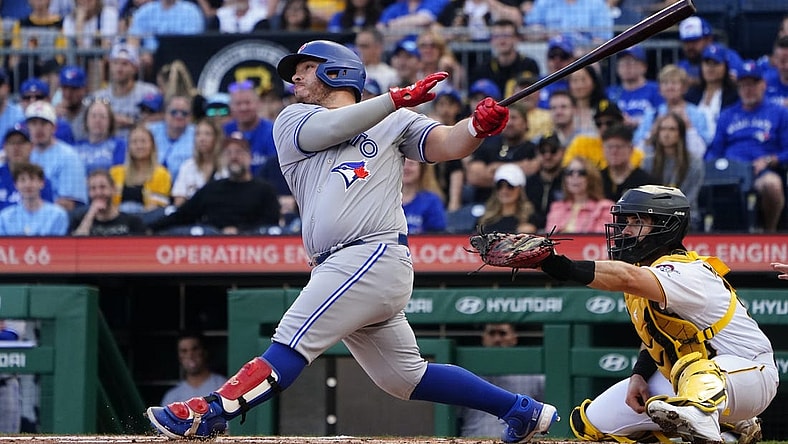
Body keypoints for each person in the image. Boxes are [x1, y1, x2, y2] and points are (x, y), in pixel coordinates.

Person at [146, 40, 558, 443]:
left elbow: (448, 144)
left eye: (306, 68)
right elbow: (335, 126)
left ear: (336, 71)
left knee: (292, 338)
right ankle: (521, 410)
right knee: (404, 378)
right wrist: (393, 100)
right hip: (339, 265)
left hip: (370, 252)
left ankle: (210, 413)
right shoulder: (293, 119)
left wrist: (475, 127)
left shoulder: (395, 120)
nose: (295, 78)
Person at [537, 185, 777, 444]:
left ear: (666, 225)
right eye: (626, 221)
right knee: (592, 423)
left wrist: (557, 264)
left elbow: (626, 277)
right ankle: (730, 427)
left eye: (637, 222)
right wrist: (640, 374)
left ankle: (711, 419)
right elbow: (657, 335)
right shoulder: (646, 269)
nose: (626, 230)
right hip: (688, 378)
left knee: (697, 370)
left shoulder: (685, 271)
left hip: (750, 374)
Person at [704, 61, 788, 233]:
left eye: (753, 84)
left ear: (763, 85)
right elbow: (715, 149)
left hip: (761, 171)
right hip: (730, 170)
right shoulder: (727, 115)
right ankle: (711, 233)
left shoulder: (779, 113)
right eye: (743, 85)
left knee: (772, 185)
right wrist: (710, 166)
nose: (748, 89)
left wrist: (769, 160)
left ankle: (769, 233)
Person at [147, 132, 280, 235]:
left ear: (249, 157)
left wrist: (240, 231)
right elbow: (183, 215)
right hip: (212, 245)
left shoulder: (264, 190)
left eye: (239, 152)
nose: (234, 157)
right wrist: (148, 229)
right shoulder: (212, 188)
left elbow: (271, 222)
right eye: (228, 153)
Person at [460, 323, 546, 438]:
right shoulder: (467, 374)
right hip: (473, 438)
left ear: (514, 338)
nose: (497, 339)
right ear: (483, 338)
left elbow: (545, 415)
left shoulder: (532, 375)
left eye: (502, 333)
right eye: (492, 333)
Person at [641, 112, 704, 228]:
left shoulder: (694, 163)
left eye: (672, 129)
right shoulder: (647, 162)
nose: (666, 134)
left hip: (685, 217)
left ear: (680, 134)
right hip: (654, 216)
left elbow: (689, 197)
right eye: (663, 129)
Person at [26, 100, 87, 211]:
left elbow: (69, 204)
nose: (38, 128)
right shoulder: (25, 154)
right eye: (34, 123)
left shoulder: (69, 156)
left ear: (54, 128)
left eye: (44, 123)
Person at [92, 42, 160, 139]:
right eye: (115, 63)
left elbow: (163, 118)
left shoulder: (149, 92)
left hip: (140, 143)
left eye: (125, 64)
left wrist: (131, 122)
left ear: (135, 68)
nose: (119, 69)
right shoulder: (99, 97)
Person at [634, 64, 711, 149]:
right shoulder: (652, 114)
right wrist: (654, 130)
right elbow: (637, 145)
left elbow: (705, 146)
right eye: (665, 83)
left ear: (684, 88)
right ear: (659, 90)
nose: (670, 87)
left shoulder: (697, 113)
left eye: (674, 83)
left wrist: (688, 126)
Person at [109, 124, 172, 214]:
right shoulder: (114, 173)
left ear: (152, 145)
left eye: (143, 141)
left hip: (149, 218)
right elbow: (108, 204)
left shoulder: (162, 174)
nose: (139, 146)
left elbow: (159, 207)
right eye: (134, 142)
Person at [469, 19, 540, 98]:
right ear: (491, 40)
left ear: (516, 38)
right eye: (497, 36)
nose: (502, 40)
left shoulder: (529, 64)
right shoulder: (483, 68)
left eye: (507, 35)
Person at [684, 43, 740, 139]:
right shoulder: (690, 95)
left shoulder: (734, 96)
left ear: (725, 67)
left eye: (716, 63)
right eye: (707, 63)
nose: (710, 68)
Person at [545, 156, 613, 233]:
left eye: (581, 173)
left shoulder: (604, 208)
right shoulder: (557, 207)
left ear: (591, 177)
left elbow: (602, 237)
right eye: (570, 173)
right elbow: (550, 235)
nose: (575, 177)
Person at [69, 169, 147, 236]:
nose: (98, 193)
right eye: (93, 188)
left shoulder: (133, 222)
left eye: (102, 187)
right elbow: (77, 245)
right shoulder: (79, 221)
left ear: (113, 189)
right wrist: (90, 215)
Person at [0, 162, 68, 236]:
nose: (28, 185)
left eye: (32, 179)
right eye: (22, 180)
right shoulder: (5, 217)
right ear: (16, 185)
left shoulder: (57, 215)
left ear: (42, 183)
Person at [161, 332, 227, 407]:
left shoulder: (222, 386)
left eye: (195, 349)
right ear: (179, 357)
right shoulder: (172, 397)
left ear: (204, 352)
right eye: (184, 351)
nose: (190, 355)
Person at [606, 46, 662, 133]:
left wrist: (638, 122)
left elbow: (663, 115)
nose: (627, 67)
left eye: (631, 63)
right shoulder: (610, 92)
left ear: (644, 67)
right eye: (623, 63)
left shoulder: (656, 89)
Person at [171, 118, 224, 207]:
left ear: (216, 138)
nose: (202, 139)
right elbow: (179, 200)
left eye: (207, 134)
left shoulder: (226, 167)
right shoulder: (187, 166)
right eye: (198, 134)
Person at [0, 125, 54, 211]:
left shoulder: (39, 178)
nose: (16, 147)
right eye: (12, 143)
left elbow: (47, 212)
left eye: (21, 143)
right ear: (4, 147)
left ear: (31, 146)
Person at [524, 0, 613, 47]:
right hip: (552, 52)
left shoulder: (596, 3)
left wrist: (585, 50)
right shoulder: (544, 2)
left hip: (583, 55)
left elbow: (603, 38)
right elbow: (528, 31)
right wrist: (546, 33)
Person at [600, 123, 653, 202]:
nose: (614, 151)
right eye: (609, 147)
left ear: (631, 149)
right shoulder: (597, 179)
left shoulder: (645, 182)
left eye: (619, 147)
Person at [478, 163, 537, 233]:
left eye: (510, 186)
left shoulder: (531, 218)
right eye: (499, 186)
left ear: (520, 189)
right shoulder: (485, 220)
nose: (504, 191)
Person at [148, 95, 196, 181]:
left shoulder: (197, 134)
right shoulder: (150, 131)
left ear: (190, 117)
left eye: (184, 113)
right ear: (165, 114)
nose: (179, 116)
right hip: (150, 181)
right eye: (174, 112)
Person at [72, 98, 127, 174]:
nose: (97, 120)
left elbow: (118, 173)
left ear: (110, 122)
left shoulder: (119, 144)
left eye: (102, 117)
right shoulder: (75, 147)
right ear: (86, 121)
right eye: (93, 116)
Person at [525, 133, 564, 232]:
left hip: (560, 231)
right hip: (532, 232)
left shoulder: (568, 180)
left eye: (553, 151)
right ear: (537, 153)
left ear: (562, 152)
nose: (548, 156)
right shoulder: (529, 182)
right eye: (543, 151)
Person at [402, 158, 446, 234]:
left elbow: (438, 233)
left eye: (411, 164)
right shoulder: (386, 200)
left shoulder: (431, 201)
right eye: (403, 164)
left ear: (421, 169)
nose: (406, 168)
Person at [568, 66, 607, 137]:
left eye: (583, 80)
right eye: (575, 80)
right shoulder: (565, 110)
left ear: (594, 82)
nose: (579, 86)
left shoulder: (604, 109)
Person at [55, 65, 90, 142]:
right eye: (65, 88)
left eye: (73, 88)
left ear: (84, 89)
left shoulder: (90, 113)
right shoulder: (53, 115)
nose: (68, 93)